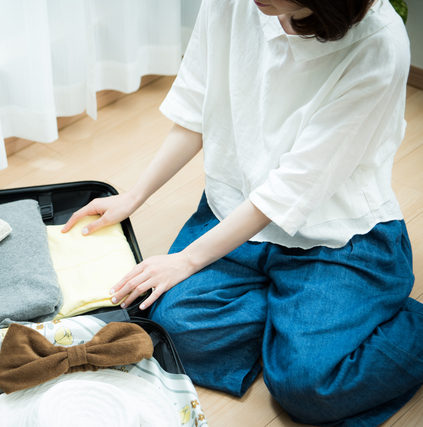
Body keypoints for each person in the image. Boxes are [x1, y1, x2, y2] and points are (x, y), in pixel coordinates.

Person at [62, 0, 421, 425]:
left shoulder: (379, 46)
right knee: (171, 329)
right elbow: (198, 107)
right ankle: (298, 319)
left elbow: (290, 191)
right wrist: (134, 196)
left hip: (336, 238)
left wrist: (186, 260)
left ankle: (335, 322)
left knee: (308, 386)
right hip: (233, 215)